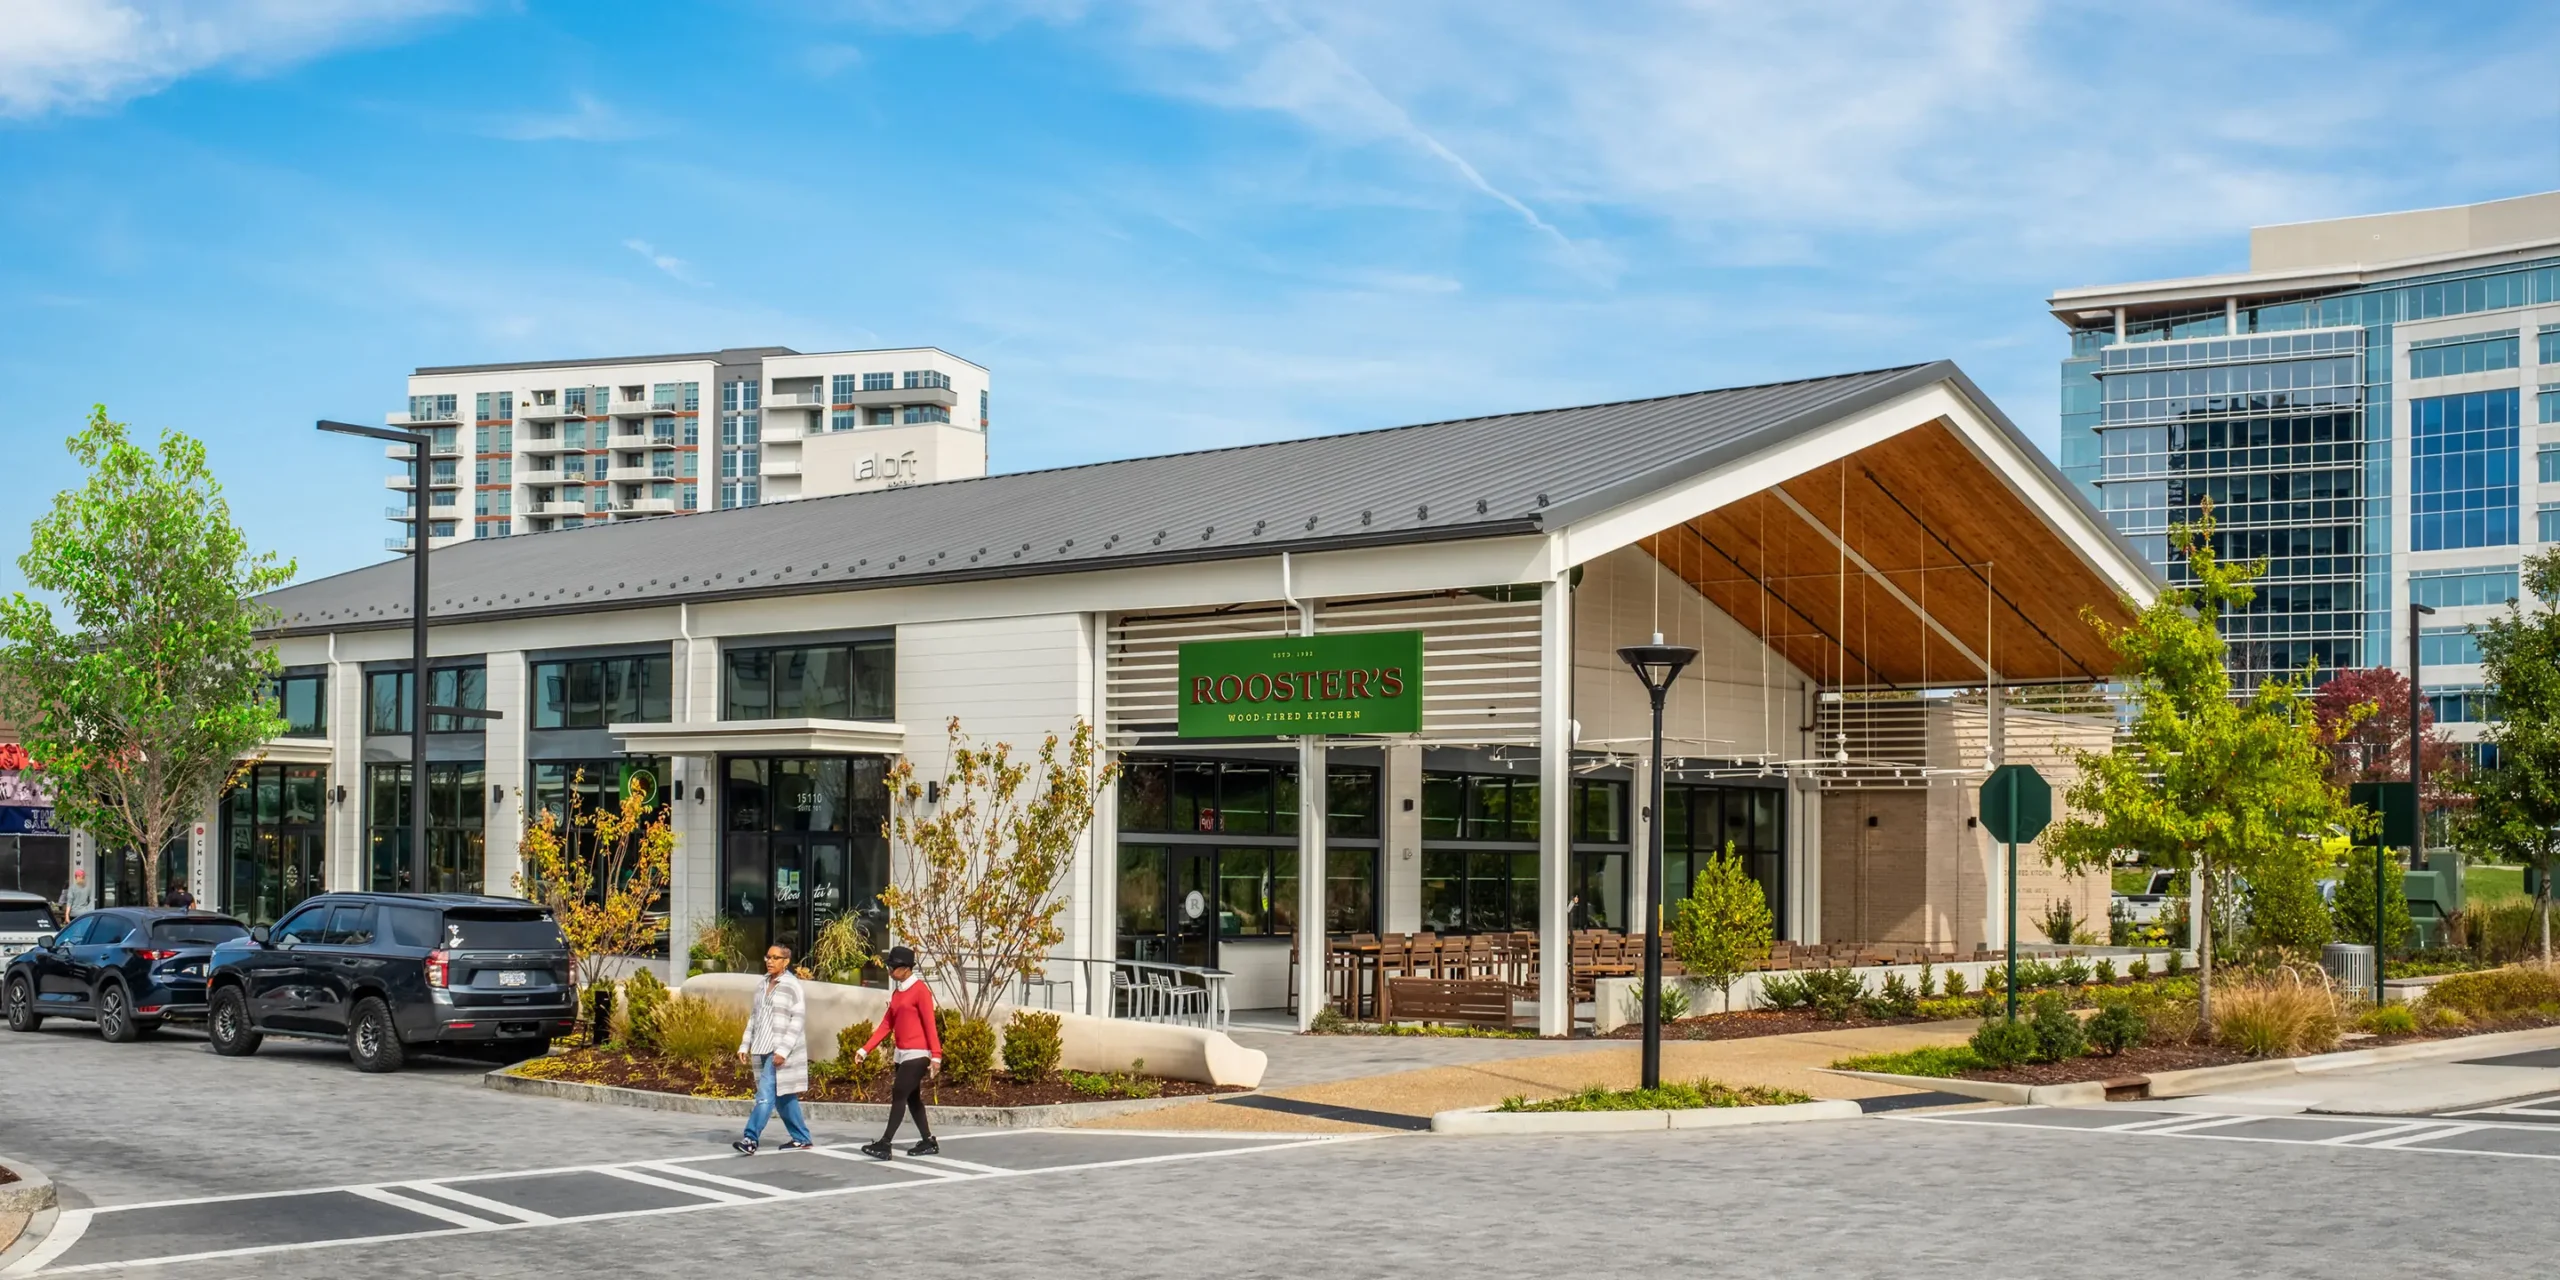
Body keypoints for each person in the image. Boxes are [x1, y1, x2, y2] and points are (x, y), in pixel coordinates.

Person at [857, 945, 941, 1159]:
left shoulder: (921, 990)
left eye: (892, 967)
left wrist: (936, 1055)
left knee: (899, 1093)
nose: (889, 970)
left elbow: (930, 1024)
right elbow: (887, 1024)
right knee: (912, 1099)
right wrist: (865, 1049)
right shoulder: (898, 991)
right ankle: (928, 1141)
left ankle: (885, 1144)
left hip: (918, 1053)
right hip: (901, 1053)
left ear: (905, 968)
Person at [733, 942, 814, 1155]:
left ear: (786, 962)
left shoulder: (792, 985)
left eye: (775, 958)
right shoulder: (762, 984)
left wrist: (783, 1051)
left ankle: (750, 1138)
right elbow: (755, 1016)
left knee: (765, 1095)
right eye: (767, 957)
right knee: (784, 1096)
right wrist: (745, 1043)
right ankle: (802, 1138)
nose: (769, 961)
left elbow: (798, 1019)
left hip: (779, 1048)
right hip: (761, 1046)